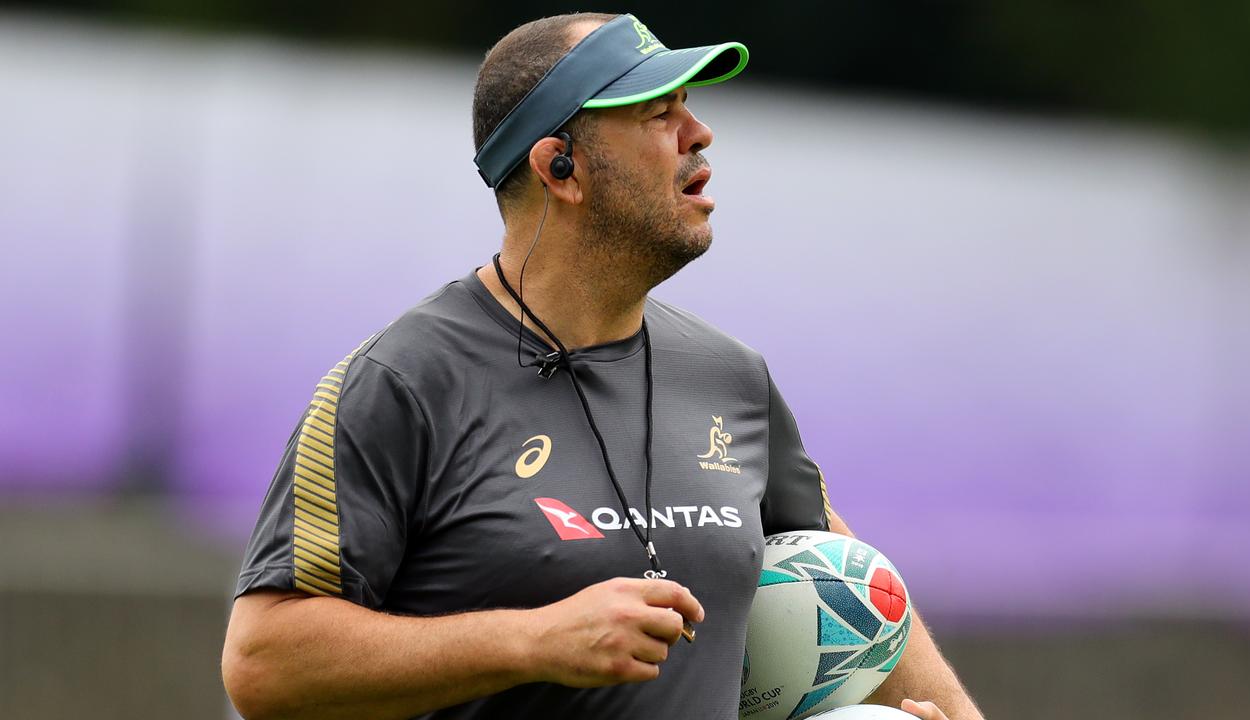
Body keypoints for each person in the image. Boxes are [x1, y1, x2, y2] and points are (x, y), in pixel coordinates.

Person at [221, 12, 983, 720]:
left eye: (689, 107)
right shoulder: (402, 383)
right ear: (562, 167)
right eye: (660, 114)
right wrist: (535, 640)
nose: (700, 133)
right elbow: (263, 662)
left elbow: (857, 585)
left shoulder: (732, 378)